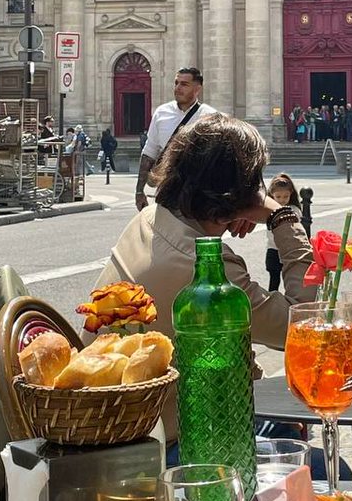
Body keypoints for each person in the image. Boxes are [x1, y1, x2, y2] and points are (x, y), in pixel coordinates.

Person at [94, 114, 316, 452]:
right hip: (171, 442)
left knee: (285, 423)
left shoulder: (149, 220)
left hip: (114, 427)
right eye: (256, 183)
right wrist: (281, 216)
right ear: (239, 192)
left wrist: (228, 213)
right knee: (323, 466)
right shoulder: (208, 269)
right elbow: (301, 324)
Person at [135, 67, 215, 212]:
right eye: (176, 83)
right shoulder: (161, 113)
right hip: (166, 192)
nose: (178, 88)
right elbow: (149, 153)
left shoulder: (210, 116)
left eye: (184, 84)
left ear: (197, 89)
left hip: (199, 194)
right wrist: (139, 191)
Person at [265, 173, 301, 292]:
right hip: (273, 249)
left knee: (289, 280)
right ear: (272, 195)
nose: (282, 200)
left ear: (291, 194)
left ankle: (288, 302)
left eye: (286, 196)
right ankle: (271, 302)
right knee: (274, 280)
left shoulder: (293, 210)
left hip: (288, 249)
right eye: (278, 197)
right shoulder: (268, 209)